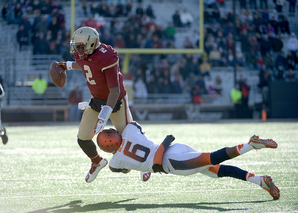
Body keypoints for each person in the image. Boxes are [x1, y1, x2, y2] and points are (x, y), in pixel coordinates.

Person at [56, 26, 149, 183]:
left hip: (116, 100)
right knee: (83, 138)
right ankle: (97, 162)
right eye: (76, 46)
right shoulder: (85, 52)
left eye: (80, 47)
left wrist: (104, 116)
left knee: (130, 136)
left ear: (91, 44)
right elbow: (85, 65)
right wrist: (66, 65)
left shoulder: (107, 56)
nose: (77, 50)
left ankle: (146, 164)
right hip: (97, 99)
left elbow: (114, 89)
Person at [96, 122, 280, 200]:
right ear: (114, 134)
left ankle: (250, 145)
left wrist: (143, 169)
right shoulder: (128, 130)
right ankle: (260, 180)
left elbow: (126, 167)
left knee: (211, 158)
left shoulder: (114, 163)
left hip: (172, 163)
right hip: (175, 148)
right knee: (217, 170)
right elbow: (135, 129)